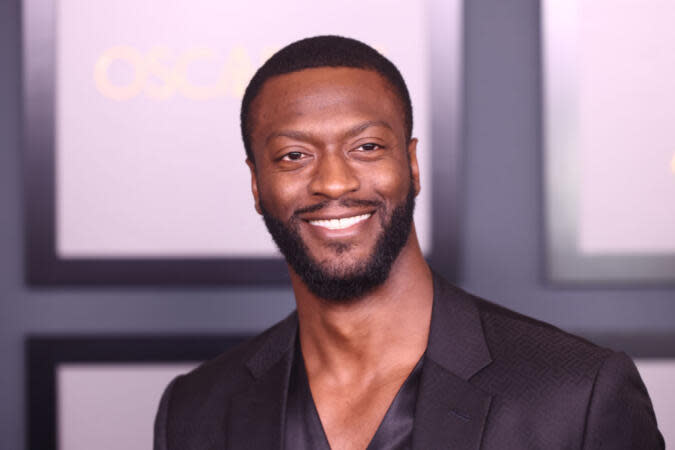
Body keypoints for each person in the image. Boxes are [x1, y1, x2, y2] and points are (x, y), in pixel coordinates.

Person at [153, 35, 663, 449]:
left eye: (367, 147)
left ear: (412, 164)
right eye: (293, 156)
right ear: (256, 184)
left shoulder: (578, 395)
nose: (334, 182)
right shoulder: (196, 410)